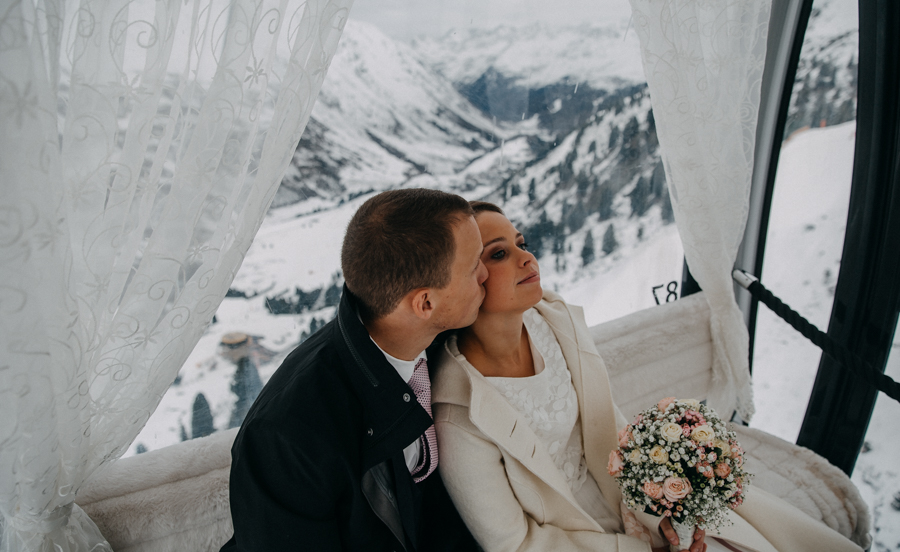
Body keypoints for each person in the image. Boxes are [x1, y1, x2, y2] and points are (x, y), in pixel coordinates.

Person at [431, 201, 863, 552]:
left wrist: (666, 512)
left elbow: (608, 424)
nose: (528, 257)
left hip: (629, 496)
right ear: (465, 280)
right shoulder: (461, 413)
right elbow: (516, 545)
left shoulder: (553, 320)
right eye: (500, 253)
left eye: (521, 241)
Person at [221, 188, 487, 551]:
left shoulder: (436, 340)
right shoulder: (286, 437)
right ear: (425, 302)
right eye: (474, 268)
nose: (487, 274)